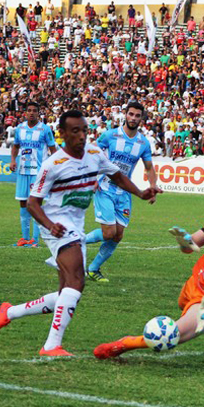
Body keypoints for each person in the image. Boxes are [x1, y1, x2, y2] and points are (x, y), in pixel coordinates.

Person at [0, 110, 161, 356]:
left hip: (75, 225)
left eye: (84, 130)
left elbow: (117, 175)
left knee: (66, 294)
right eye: (75, 131)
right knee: (77, 281)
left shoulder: (93, 153)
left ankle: (9, 312)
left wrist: (141, 192)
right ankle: (50, 346)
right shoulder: (52, 165)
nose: (81, 136)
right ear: (62, 134)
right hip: (56, 225)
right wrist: (49, 225)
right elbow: (33, 204)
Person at [93, 187, 204, 360]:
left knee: (170, 335)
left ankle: (124, 344)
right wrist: (184, 241)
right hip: (194, 284)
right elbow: (191, 247)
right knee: (182, 309)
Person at [83, 101, 160, 282]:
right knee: (109, 232)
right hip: (105, 187)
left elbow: (149, 168)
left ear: (142, 118)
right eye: (130, 114)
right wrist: (92, 178)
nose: (133, 118)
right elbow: (92, 154)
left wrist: (153, 187)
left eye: (137, 115)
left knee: (118, 235)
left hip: (124, 192)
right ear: (125, 115)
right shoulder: (110, 135)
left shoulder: (143, 143)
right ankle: (73, 242)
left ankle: (93, 269)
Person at [9, 102, 57, 247]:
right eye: (29, 110)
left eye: (34, 111)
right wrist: (13, 160)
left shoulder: (45, 129)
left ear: (38, 113)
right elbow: (16, 146)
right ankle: (25, 238)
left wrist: (55, 168)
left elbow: (53, 150)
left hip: (38, 173)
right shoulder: (20, 128)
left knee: (36, 205)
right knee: (23, 203)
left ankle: (35, 240)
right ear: (25, 112)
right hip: (23, 171)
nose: (31, 113)